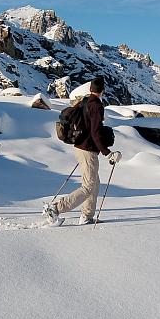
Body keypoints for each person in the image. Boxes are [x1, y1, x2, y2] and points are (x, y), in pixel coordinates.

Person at [43, 77, 122, 225]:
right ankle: (56, 208)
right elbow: (95, 132)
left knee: (94, 183)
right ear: (102, 90)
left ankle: (86, 216)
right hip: (88, 150)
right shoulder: (97, 106)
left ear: (90, 89)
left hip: (80, 147)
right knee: (88, 186)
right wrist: (107, 153)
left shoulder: (85, 101)